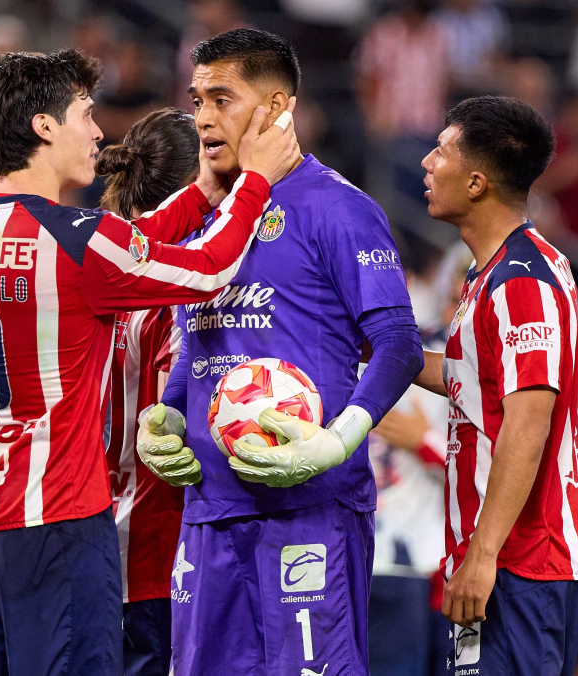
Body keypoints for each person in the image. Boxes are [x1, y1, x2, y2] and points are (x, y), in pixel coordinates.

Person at [0, 48, 301, 675]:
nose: (97, 132)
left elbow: (128, 246)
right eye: (84, 113)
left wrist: (203, 192)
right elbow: (208, 271)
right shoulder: (82, 242)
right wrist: (253, 181)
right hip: (54, 524)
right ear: (44, 127)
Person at [140, 29, 424, 676]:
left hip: (309, 510)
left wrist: (339, 440)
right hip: (210, 514)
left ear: (275, 109)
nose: (203, 117)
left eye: (221, 98)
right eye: (196, 100)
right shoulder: (207, 215)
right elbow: (202, 337)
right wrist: (168, 414)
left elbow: (399, 344)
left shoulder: (337, 207)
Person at [412, 96, 578, 675]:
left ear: (475, 182)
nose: (425, 162)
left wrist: (483, 555)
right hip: (501, 560)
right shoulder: (491, 273)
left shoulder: (522, 284)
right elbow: (469, 381)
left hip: (525, 562)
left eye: (440, 150)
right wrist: (368, 345)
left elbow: (528, 421)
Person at [96, 108, 203, 676]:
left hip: (95, 540)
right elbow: (172, 435)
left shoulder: (97, 269)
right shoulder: (173, 291)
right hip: (164, 551)